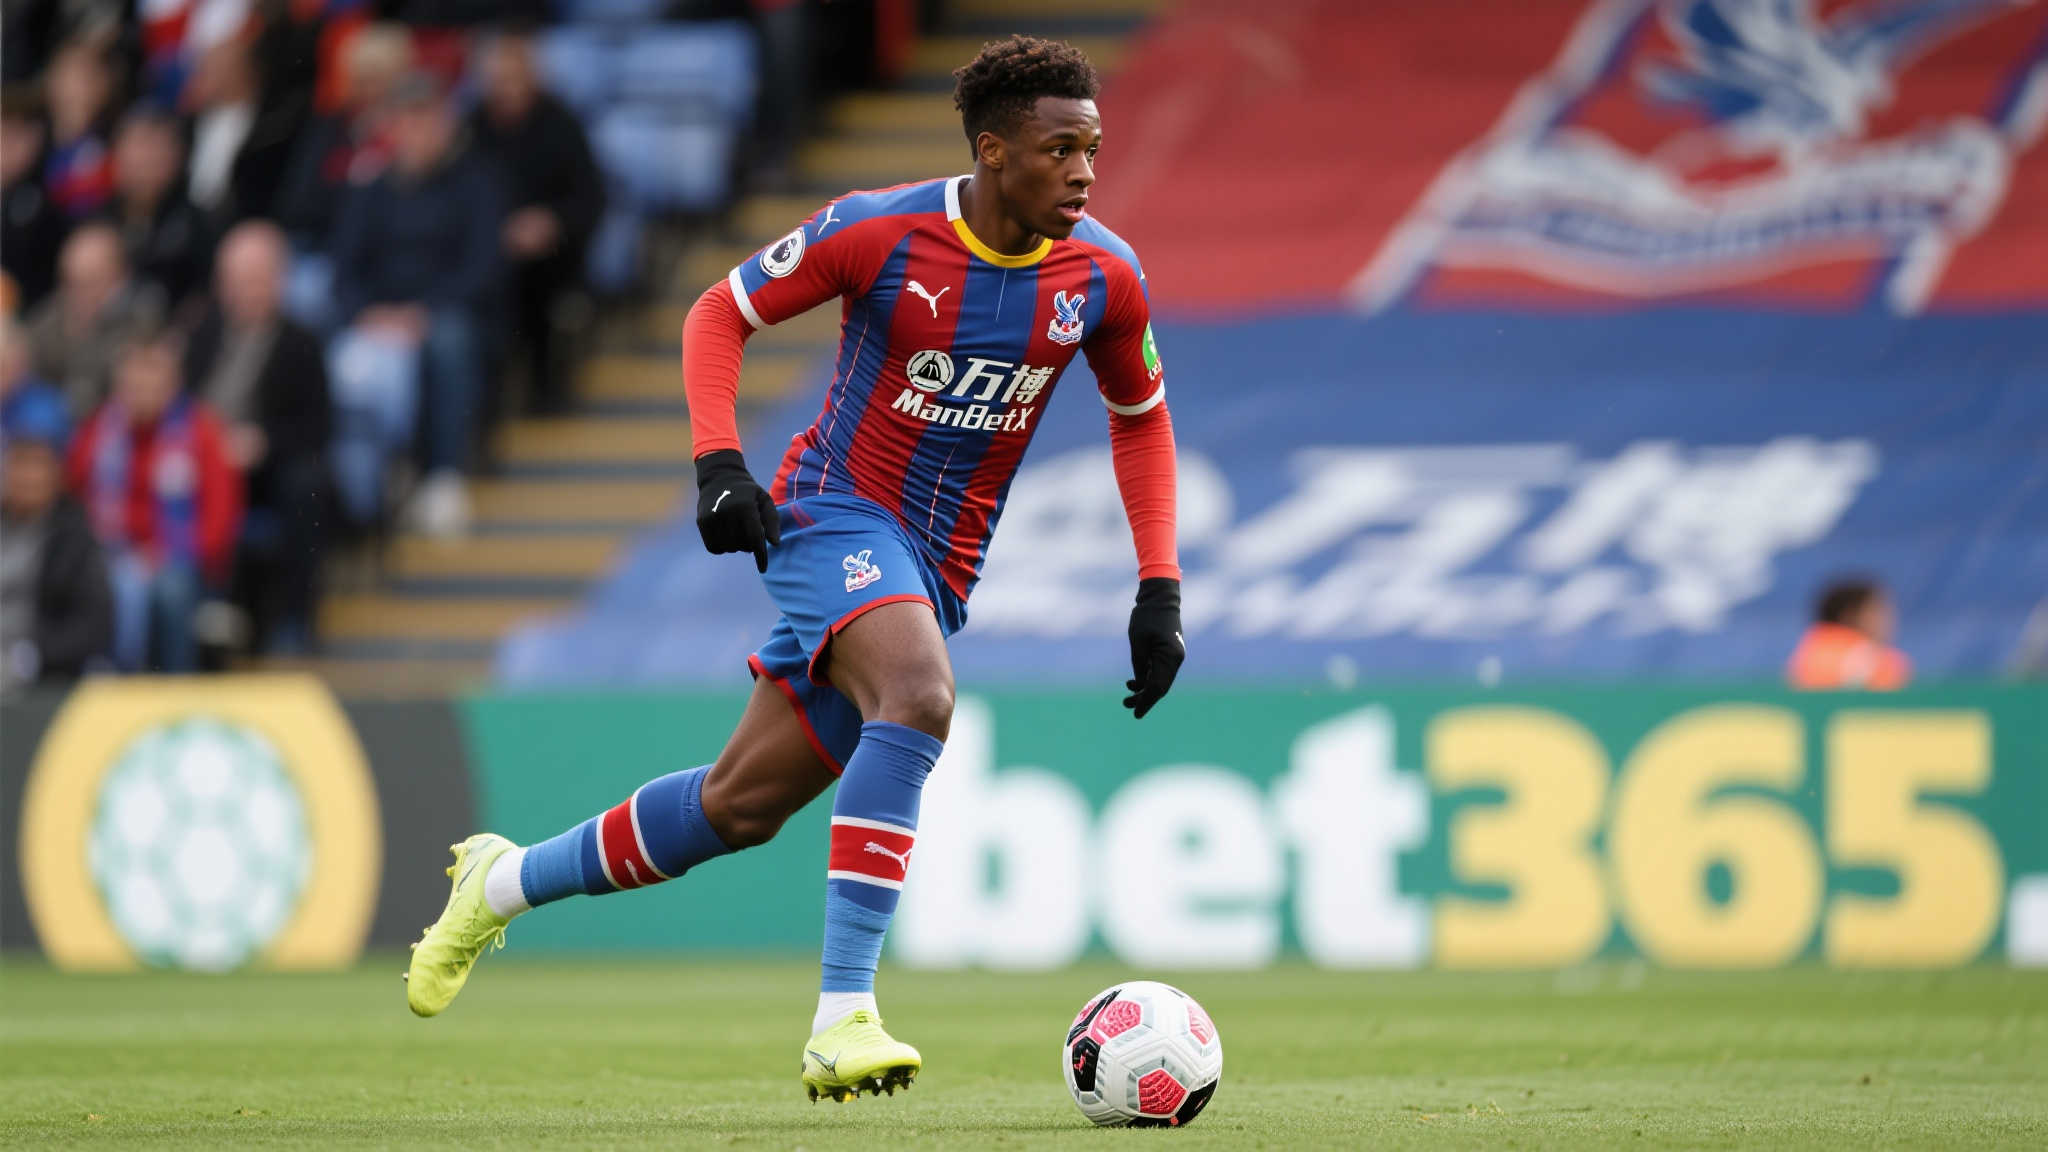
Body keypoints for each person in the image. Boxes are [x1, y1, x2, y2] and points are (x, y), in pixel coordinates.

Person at [404, 37, 1185, 1103]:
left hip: (938, 567)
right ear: (994, 152)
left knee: (736, 808)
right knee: (917, 696)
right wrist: (718, 464)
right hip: (831, 514)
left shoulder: (1103, 274)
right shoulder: (880, 231)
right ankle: (842, 1017)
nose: (1085, 173)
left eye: (1093, 149)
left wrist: (1158, 586)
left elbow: (1140, 417)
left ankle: (499, 883)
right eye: (1062, 151)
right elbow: (717, 312)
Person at [328, 69, 500, 537]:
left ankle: (444, 474)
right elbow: (344, 269)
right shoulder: (370, 191)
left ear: (446, 124)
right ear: (393, 127)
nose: (418, 130)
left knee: (449, 341)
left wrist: (422, 313)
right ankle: (358, 488)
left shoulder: (475, 183)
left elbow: (483, 266)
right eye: (408, 119)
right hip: (378, 316)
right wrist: (368, 314)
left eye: (427, 118)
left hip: (443, 313)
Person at [184, 221, 333, 654]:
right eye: (233, 281)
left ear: (278, 281)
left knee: (306, 485)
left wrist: (262, 443)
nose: (243, 292)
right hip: (202, 457)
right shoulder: (201, 335)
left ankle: (295, 618)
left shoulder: (302, 343)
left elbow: (317, 428)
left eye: (254, 280)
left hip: (268, 470)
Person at [67, 326, 243, 673]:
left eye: (153, 386)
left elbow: (221, 516)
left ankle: (175, 686)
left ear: (173, 386)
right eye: (135, 387)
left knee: (170, 590)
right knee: (105, 586)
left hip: (177, 557)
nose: (143, 395)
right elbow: (74, 501)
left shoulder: (201, 432)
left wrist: (166, 555)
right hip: (108, 554)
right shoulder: (97, 433)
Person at [468, 25, 603, 417]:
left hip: (553, 250)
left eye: (513, 78)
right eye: (497, 80)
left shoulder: (561, 124)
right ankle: (485, 407)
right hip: (485, 245)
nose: (505, 89)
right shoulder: (472, 128)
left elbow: (591, 198)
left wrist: (551, 222)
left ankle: (546, 390)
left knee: (541, 284)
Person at [1, 385, 113, 693]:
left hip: (37, 672)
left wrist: (35, 655)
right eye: (19, 462)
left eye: (37, 464)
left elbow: (93, 625)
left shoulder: (74, 537)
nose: (27, 476)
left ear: (57, 473)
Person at [24, 221, 164, 418]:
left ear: (120, 277)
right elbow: (26, 361)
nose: (78, 294)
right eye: (70, 282)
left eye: (91, 281)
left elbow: (114, 386)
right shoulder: (50, 315)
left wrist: (85, 331)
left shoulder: (143, 318)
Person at [102, 107, 213, 313]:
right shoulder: (96, 222)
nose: (147, 159)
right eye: (139, 146)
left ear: (178, 158)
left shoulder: (198, 225)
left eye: (157, 148)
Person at [2, 89, 66, 311]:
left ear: (36, 138)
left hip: (30, 311)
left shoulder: (46, 197)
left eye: (13, 136)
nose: (5, 146)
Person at [1787, 576, 1911, 690]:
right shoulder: (1873, 658)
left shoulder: (1809, 650)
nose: (1889, 619)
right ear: (1850, 615)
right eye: (1878, 611)